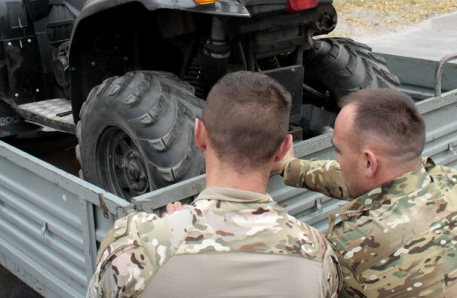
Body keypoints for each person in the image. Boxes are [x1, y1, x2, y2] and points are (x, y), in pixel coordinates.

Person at [87, 71, 340, 298]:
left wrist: (170, 231)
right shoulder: (318, 255)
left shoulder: (139, 248)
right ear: (284, 148)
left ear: (199, 134)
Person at [275, 88, 457, 298]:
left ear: (368, 162)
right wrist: (290, 167)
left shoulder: (354, 245)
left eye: (339, 151)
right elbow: (357, 179)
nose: (337, 159)